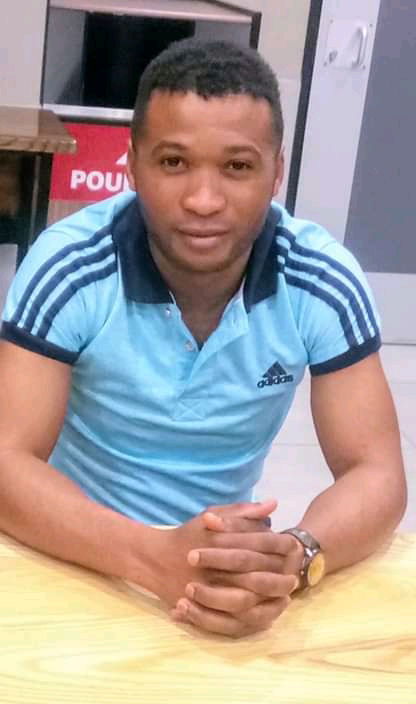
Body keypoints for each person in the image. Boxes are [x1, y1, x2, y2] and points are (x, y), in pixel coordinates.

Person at [0, 39, 406, 638]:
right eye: (173, 162)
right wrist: (151, 559)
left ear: (276, 173)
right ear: (132, 165)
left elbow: (377, 473)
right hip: (68, 550)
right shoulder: (70, 265)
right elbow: (7, 462)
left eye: (237, 166)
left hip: (218, 568)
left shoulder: (320, 279)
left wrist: (293, 558)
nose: (203, 201)